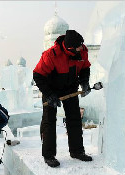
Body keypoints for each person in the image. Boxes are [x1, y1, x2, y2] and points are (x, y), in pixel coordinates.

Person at [33, 30, 92, 168]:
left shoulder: (82, 50)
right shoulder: (51, 54)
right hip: (51, 89)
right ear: (70, 48)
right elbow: (38, 75)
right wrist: (49, 94)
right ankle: (49, 155)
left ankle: (77, 151)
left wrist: (84, 82)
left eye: (81, 45)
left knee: (75, 118)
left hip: (70, 88)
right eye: (78, 46)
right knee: (49, 121)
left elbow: (85, 68)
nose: (81, 48)